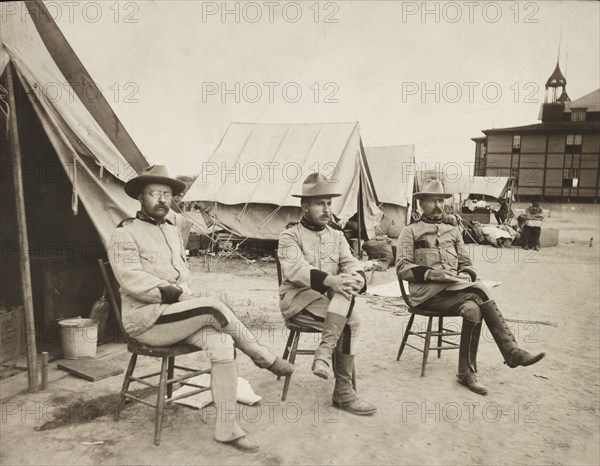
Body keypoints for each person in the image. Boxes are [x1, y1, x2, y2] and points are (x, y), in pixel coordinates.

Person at [108, 165, 294, 453]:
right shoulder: (125, 233)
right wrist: (172, 292)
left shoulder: (172, 231)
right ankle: (264, 358)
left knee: (221, 342)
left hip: (175, 317)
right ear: (140, 198)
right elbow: (131, 279)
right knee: (212, 306)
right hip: (146, 321)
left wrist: (183, 294)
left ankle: (227, 428)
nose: (161, 200)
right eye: (154, 193)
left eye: (167, 194)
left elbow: (182, 275)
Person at [396, 179, 545, 395]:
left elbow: (466, 265)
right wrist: (434, 274)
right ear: (421, 205)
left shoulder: (453, 230)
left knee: (473, 308)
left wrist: (462, 276)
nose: (438, 205)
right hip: (426, 295)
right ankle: (511, 351)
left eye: (441, 200)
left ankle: (466, 373)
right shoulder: (410, 231)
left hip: (453, 292)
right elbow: (402, 268)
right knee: (480, 289)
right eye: (432, 201)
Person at [277, 173, 377, 416]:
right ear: (305, 206)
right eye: (320, 203)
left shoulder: (337, 235)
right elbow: (296, 270)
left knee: (346, 290)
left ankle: (324, 354)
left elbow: (351, 263)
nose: (326, 209)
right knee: (351, 321)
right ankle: (342, 392)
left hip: (331, 300)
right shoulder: (290, 236)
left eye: (329, 203)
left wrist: (355, 278)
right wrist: (332, 280)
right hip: (298, 301)